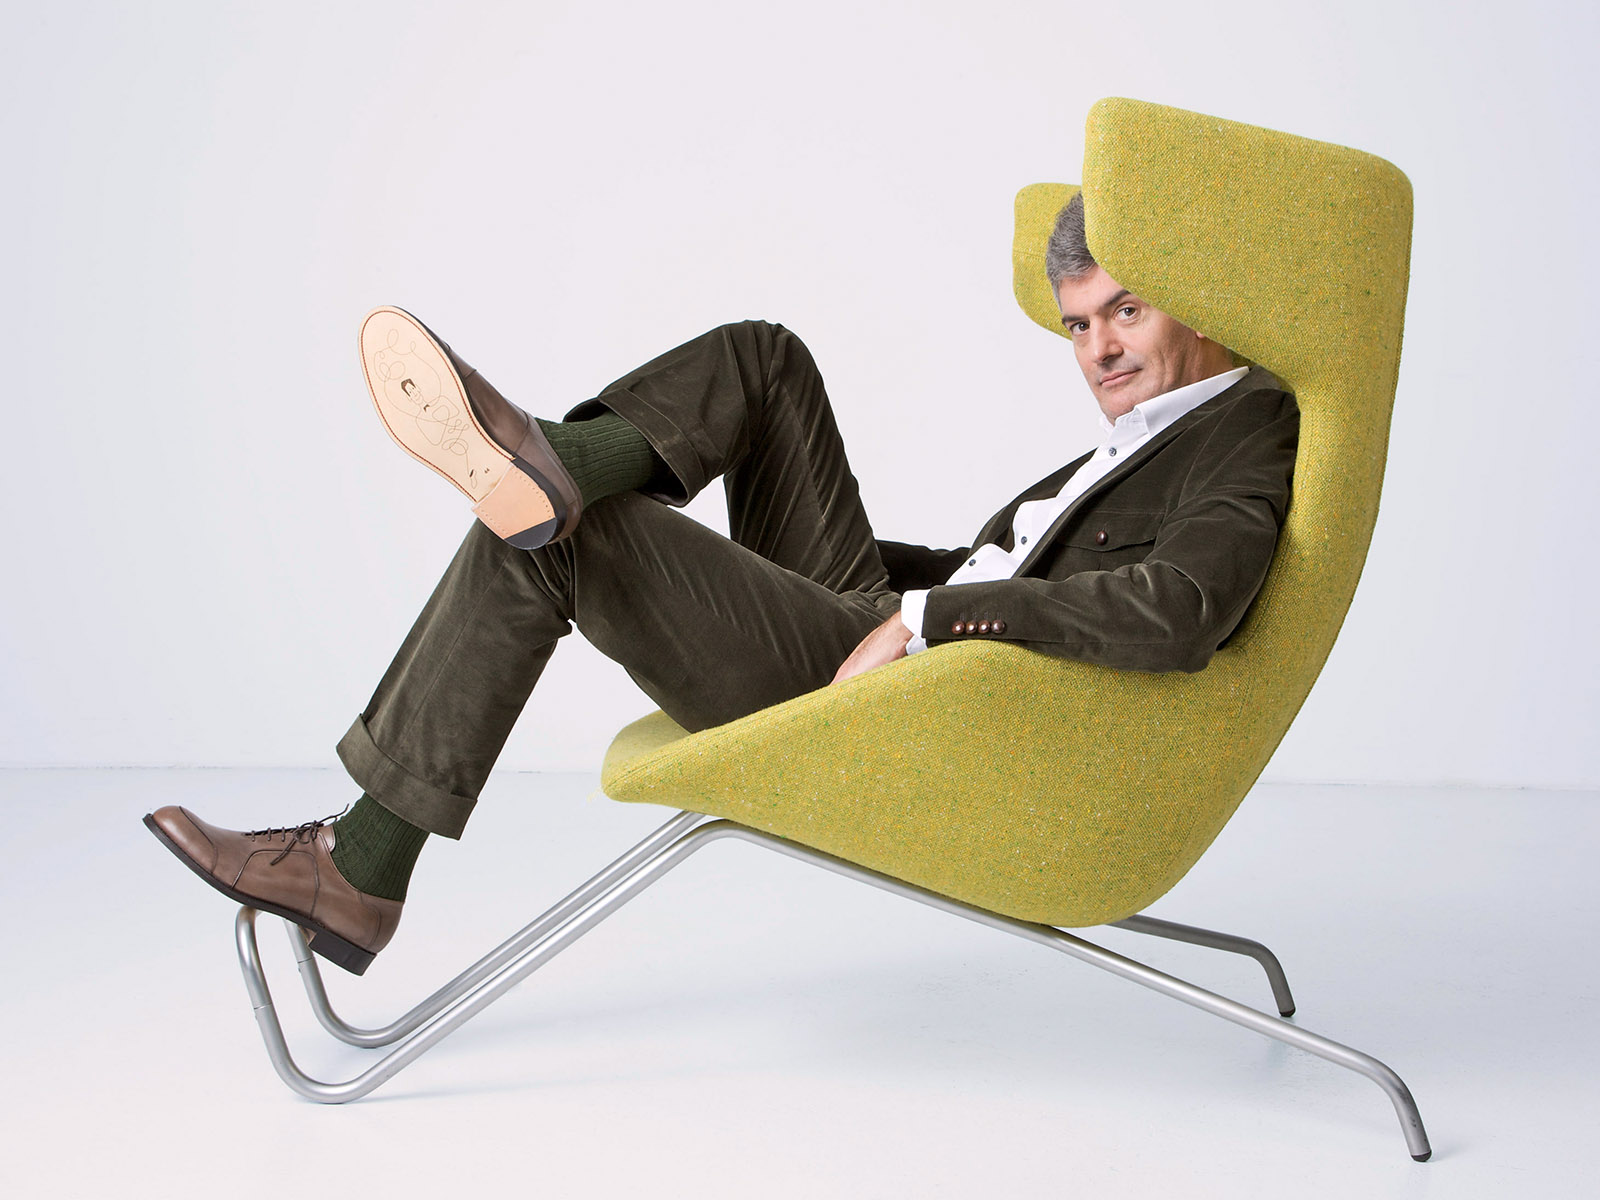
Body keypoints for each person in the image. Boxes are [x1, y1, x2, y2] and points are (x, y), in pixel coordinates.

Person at [144, 194, 1299, 975]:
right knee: (763, 358)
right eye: (1079, 324)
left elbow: (1182, 611)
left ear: (1196, 301)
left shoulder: (1245, 423)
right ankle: (554, 464)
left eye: (1125, 312)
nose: (1098, 351)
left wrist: (924, 617)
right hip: (886, 635)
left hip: (914, 697)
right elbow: (991, 566)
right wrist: (901, 594)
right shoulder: (1142, 431)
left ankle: (361, 865)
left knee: (566, 539)